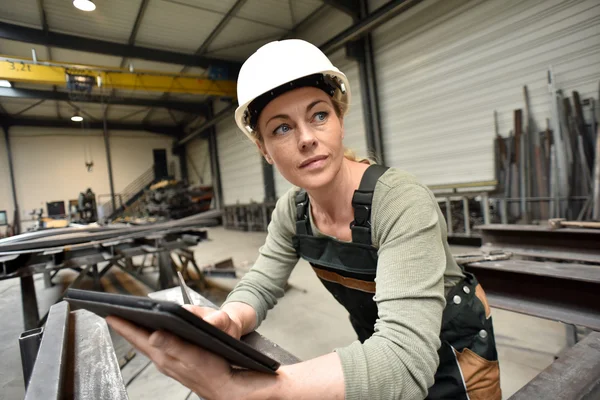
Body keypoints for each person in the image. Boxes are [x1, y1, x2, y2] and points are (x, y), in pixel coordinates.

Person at [107, 39, 502, 400]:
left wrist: (249, 390)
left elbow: (403, 360)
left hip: (457, 357)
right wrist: (229, 318)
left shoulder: (398, 201)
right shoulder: (292, 213)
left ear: (340, 120)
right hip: (377, 356)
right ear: (263, 149)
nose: (306, 138)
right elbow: (261, 283)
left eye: (318, 115)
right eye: (281, 127)